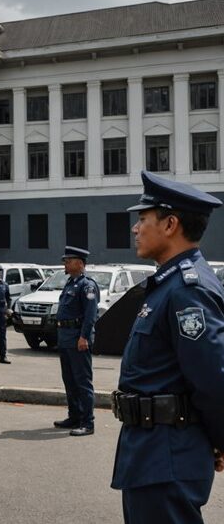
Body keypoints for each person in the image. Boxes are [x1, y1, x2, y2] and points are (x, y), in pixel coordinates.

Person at [111, 171, 224, 522]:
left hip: (167, 456)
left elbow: (213, 377)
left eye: (143, 219)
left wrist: (220, 439)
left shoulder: (187, 289)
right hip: (151, 454)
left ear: (170, 224)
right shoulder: (169, 283)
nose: (135, 228)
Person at [53, 246, 98, 436]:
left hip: (78, 338)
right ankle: (74, 416)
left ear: (80, 263)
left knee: (82, 381)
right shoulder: (70, 283)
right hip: (65, 337)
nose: (65, 263)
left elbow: (90, 315)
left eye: (68, 261)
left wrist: (84, 337)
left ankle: (87, 423)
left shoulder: (87, 285)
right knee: (69, 380)